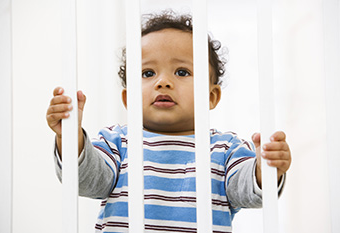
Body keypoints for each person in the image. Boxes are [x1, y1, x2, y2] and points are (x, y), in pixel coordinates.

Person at [46, 11, 291, 233]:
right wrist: (70, 136)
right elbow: (86, 180)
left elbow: (249, 191)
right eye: (148, 73)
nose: (163, 82)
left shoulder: (225, 149)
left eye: (182, 72)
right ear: (128, 98)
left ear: (211, 96)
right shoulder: (117, 143)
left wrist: (265, 168)